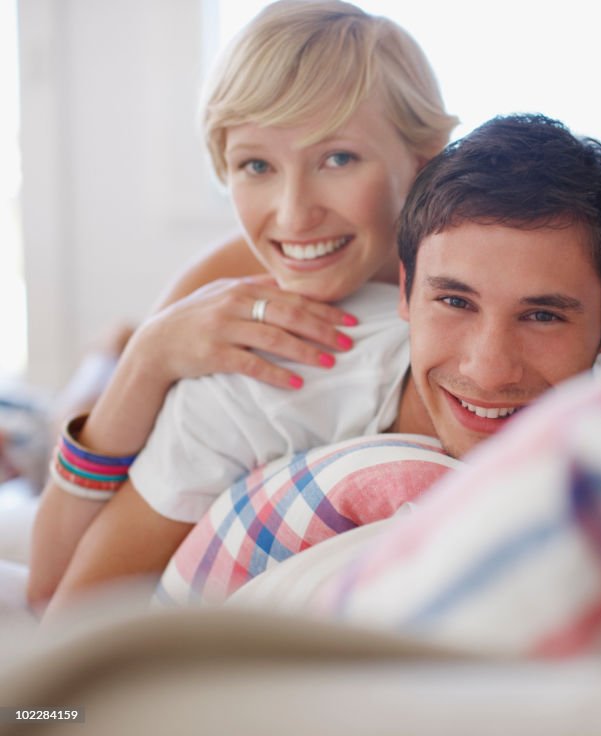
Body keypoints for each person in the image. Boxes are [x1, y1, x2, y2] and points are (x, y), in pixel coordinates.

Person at [45, 113, 601, 614]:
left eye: (542, 316)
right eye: (454, 302)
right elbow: (63, 619)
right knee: (78, 403)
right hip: (167, 383)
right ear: (406, 291)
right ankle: (110, 350)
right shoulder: (256, 387)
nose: (489, 369)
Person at [28, 0, 458, 610]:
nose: (292, 214)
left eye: (337, 158)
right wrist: (146, 358)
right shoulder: (231, 281)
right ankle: (109, 350)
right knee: (67, 411)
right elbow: (50, 586)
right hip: (108, 409)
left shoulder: (496, 270)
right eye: (255, 165)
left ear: (426, 156)